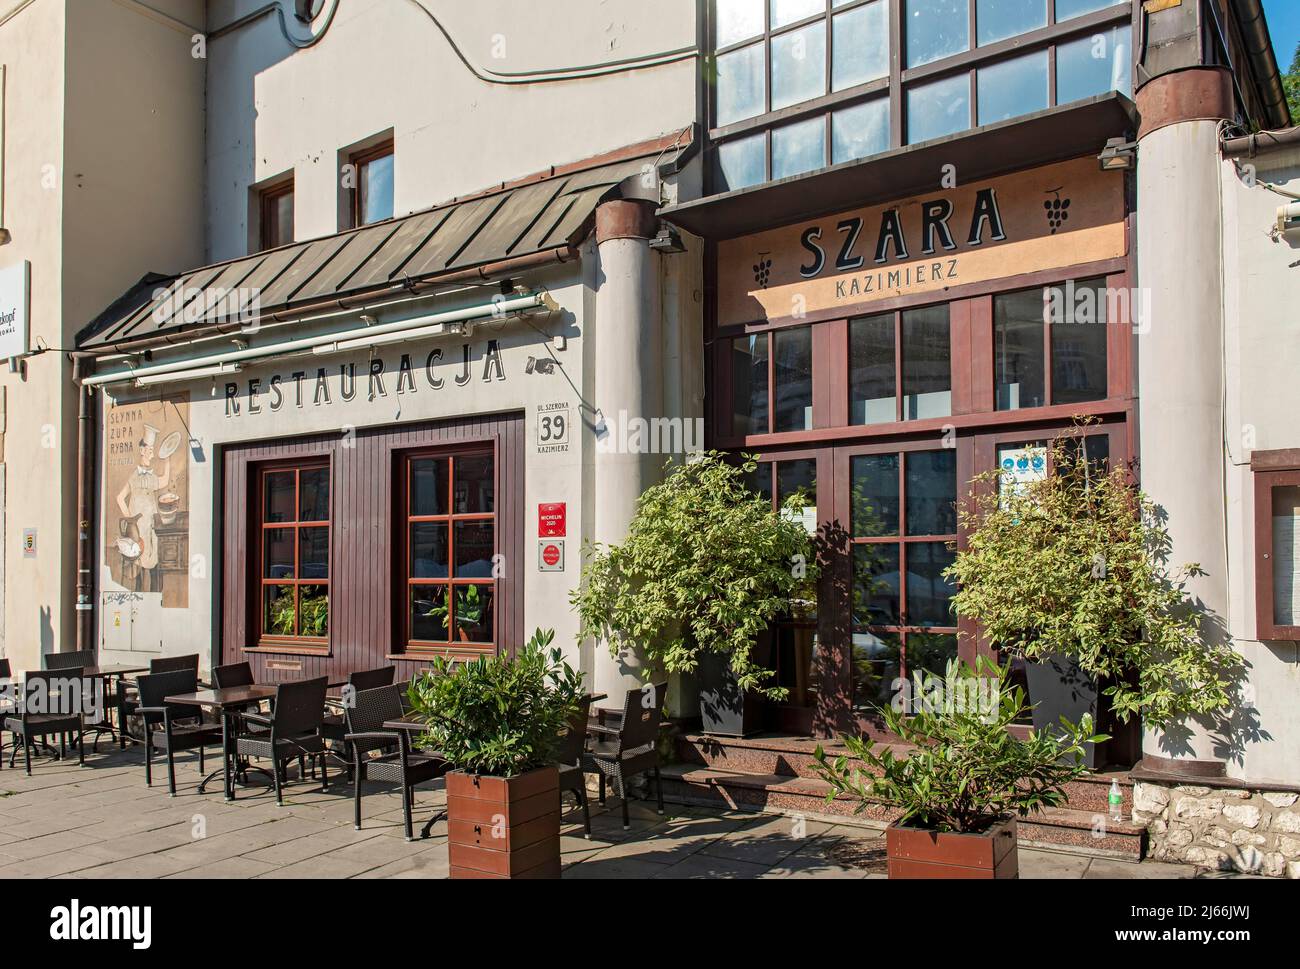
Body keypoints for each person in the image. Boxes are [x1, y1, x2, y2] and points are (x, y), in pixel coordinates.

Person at [116, 424, 171, 592]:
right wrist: (130, 520)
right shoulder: (135, 476)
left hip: (150, 527)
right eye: (149, 450)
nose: (151, 454)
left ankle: (155, 597)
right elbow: (119, 498)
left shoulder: (150, 476)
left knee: (153, 562)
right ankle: (138, 596)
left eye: (152, 451)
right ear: (141, 450)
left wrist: (167, 459)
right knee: (138, 567)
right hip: (138, 529)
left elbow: (164, 481)